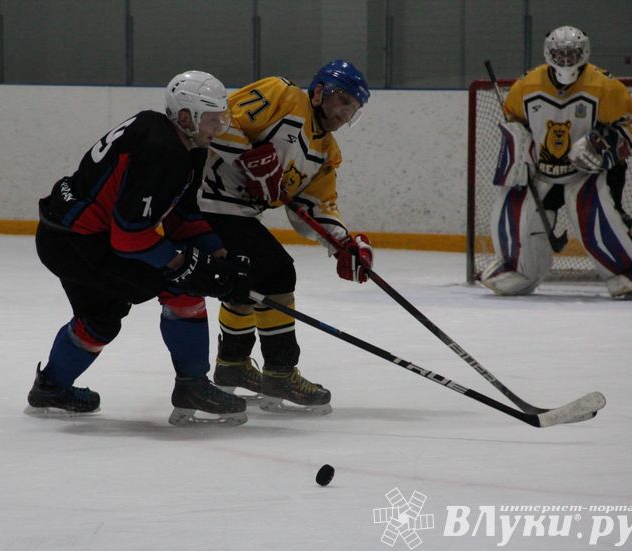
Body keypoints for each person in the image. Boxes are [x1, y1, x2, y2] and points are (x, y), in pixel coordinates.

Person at [28, 70, 251, 427]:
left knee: (100, 321)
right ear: (185, 116)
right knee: (180, 287)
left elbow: (179, 211)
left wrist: (220, 256)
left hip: (67, 234)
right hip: (78, 243)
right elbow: (129, 237)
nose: (219, 125)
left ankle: (50, 388)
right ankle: (192, 386)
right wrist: (184, 265)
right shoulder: (163, 150)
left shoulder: (181, 143)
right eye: (212, 118)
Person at [197, 59, 373, 415]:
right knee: (277, 273)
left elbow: (314, 206)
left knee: (248, 276)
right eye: (342, 101)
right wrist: (248, 157)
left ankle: (232, 363)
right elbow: (219, 121)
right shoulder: (281, 94)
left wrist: (342, 243)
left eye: (351, 109)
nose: (343, 113)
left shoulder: (327, 153)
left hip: (237, 212)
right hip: (203, 199)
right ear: (321, 91)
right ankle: (280, 372)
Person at [480, 25, 632, 299]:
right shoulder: (527, 85)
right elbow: (514, 122)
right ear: (549, 54)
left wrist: (603, 143)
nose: (565, 61)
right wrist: (519, 150)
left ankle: (628, 270)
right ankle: (517, 268)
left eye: (571, 54)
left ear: (583, 53)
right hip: (543, 170)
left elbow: (626, 121)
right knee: (513, 210)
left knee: (598, 216)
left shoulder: (603, 86)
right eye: (559, 55)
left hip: (589, 171)